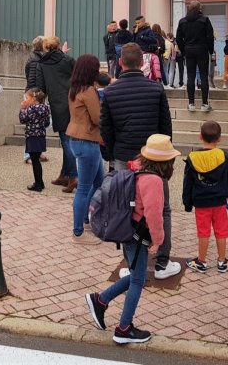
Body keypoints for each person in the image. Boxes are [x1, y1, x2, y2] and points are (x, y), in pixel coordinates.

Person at [84, 134, 180, 345]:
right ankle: (124, 328)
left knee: (138, 276)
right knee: (138, 280)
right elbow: (154, 214)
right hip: (136, 235)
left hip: (128, 230)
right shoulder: (153, 180)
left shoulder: (136, 168)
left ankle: (100, 300)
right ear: (165, 162)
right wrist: (159, 240)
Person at [101, 43, 179, 280]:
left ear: (121, 63)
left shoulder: (111, 93)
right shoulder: (155, 89)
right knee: (161, 207)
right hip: (153, 156)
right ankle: (162, 262)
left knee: (127, 207)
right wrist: (166, 155)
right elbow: (166, 126)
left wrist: (114, 154)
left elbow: (107, 129)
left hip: (125, 155)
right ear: (142, 63)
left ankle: (132, 261)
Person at [183, 121, 228, 273]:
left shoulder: (193, 158)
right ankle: (221, 261)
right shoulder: (223, 156)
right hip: (219, 202)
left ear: (200, 136)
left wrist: (187, 203)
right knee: (221, 231)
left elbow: (187, 183)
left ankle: (201, 261)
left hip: (201, 202)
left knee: (203, 232)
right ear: (219, 138)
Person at [67, 54, 106, 245]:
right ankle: (78, 232)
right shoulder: (89, 90)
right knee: (83, 188)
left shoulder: (74, 89)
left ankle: (84, 220)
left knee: (99, 182)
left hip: (77, 139)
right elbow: (98, 118)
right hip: (87, 140)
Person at [36, 36, 78, 193]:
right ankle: (65, 175)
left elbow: (41, 88)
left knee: (66, 141)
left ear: (46, 48)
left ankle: (74, 176)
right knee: (68, 140)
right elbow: (77, 77)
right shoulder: (68, 60)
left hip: (57, 104)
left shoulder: (42, 64)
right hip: (72, 102)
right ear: (58, 46)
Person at [176, 1, 214, 112]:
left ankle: (191, 104)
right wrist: (210, 50)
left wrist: (183, 51)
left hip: (188, 50)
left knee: (190, 76)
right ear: (199, 8)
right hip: (202, 49)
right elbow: (210, 37)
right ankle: (205, 104)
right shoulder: (205, 20)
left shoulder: (182, 21)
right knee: (203, 76)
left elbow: (178, 38)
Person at [19, 88, 50, 192]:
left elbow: (22, 119)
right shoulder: (45, 108)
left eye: (27, 97)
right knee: (37, 160)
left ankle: (38, 184)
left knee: (35, 161)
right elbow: (47, 123)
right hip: (41, 136)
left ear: (33, 98)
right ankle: (40, 182)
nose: (25, 99)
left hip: (32, 137)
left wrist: (22, 108)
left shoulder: (30, 109)